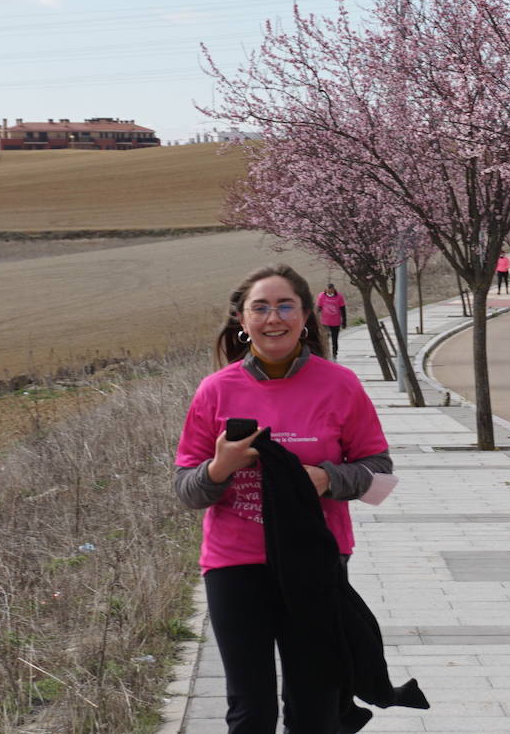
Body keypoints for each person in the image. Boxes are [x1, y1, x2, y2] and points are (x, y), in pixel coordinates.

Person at [174, 264, 400, 733]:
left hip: (315, 561)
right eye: (260, 307)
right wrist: (220, 468)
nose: (272, 318)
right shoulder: (216, 390)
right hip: (236, 564)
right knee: (250, 710)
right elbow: (185, 489)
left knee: (315, 708)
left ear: (305, 316)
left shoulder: (340, 385)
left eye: (284, 306)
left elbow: (379, 474)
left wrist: (327, 479)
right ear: (242, 318)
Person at [315, 282, 347, 359]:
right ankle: (325, 353)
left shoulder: (339, 297)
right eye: (328, 290)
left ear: (333, 289)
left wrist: (344, 321)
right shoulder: (321, 296)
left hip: (336, 322)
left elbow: (343, 309)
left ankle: (334, 353)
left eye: (331, 290)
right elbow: (318, 308)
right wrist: (315, 319)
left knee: (334, 339)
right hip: (325, 322)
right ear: (326, 289)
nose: (329, 291)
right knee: (325, 338)